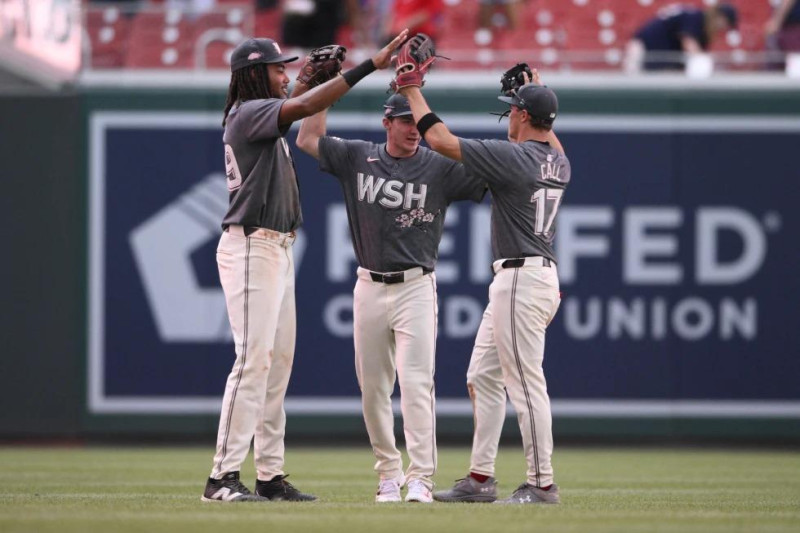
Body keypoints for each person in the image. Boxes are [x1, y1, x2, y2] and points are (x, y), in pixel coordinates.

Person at [202, 29, 409, 503]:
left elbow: (295, 103)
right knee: (253, 362)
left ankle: (269, 476)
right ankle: (222, 477)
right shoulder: (247, 112)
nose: (285, 74)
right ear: (255, 74)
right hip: (252, 245)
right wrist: (366, 68)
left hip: (275, 247)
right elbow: (298, 107)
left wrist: (309, 83)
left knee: (275, 366)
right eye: (278, 68)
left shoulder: (259, 113)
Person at [393, 41, 570, 504]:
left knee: (525, 383)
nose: (508, 115)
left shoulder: (515, 157)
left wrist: (411, 90)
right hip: (531, 276)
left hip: (522, 279)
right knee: (483, 376)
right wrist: (537, 94)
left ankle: (542, 483)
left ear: (523, 117)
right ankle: (480, 478)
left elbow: (440, 140)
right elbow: (548, 135)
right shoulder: (557, 159)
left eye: (513, 109)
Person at [295, 93, 486, 503]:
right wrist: (324, 91)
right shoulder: (358, 156)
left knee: (417, 384)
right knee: (373, 388)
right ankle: (388, 473)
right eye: (405, 121)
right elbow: (307, 138)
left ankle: (421, 478)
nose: (414, 129)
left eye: (417, 121)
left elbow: (495, 175)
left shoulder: (439, 166)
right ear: (387, 123)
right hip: (369, 283)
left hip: (416, 284)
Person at [624, 3, 738, 72]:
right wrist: (704, 61)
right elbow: (689, 43)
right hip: (641, 49)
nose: (723, 27)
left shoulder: (703, 31)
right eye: (725, 22)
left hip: (657, 61)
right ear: (718, 16)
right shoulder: (696, 18)